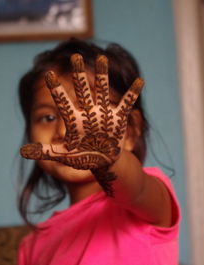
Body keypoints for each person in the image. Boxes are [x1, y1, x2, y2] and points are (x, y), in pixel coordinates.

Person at [17, 38, 180, 265]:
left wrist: (108, 155)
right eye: (49, 117)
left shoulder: (146, 203)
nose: (66, 131)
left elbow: (138, 189)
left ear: (130, 131)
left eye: (88, 117)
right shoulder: (32, 245)